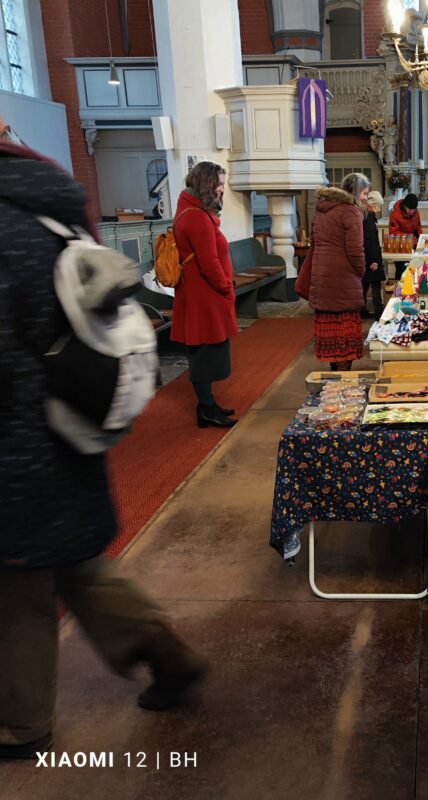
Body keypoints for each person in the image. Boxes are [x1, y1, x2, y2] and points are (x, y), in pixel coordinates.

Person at [0, 141, 206, 760]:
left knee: (16, 592)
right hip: (70, 424)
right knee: (73, 564)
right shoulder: (51, 210)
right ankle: (171, 657)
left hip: (14, 444)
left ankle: (20, 726)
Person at [171, 161, 238, 429]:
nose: (222, 189)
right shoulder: (196, 217)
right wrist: (225, 286)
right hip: (204, 296)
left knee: (207, 350)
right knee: (204, 352)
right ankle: (206, 408)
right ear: (207, 184)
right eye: (219, 183)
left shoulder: (193, 210)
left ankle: (208, 404)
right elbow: (209, 262)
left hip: (202, 294)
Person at [308, 172, 368, 370]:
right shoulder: (350, 211)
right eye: (365, 193)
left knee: (331, 340)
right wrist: (361, 272)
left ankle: (334, 379)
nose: (366, 198)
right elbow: (355, 250)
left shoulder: (322, 210)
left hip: (322, 277)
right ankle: (343, 388)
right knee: (344, 340)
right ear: (356, 192)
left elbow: (314, 243)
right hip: (343, 281)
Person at [362, 189, 385, 320]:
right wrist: (374, 261)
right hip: (371, 259)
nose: (380, 208)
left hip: (369, 258)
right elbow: (370, 241)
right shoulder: (368, 220)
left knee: (365, 285)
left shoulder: (368, 217)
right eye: (378, 205)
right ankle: (379, 313)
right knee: (375, 286)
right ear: (372, 205)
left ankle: (362, 309)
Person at [389, 192, 422, 279]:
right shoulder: (395, 215)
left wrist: (420, 238)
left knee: (413, 270)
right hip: (400, 247)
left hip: (412, 246)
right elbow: (393, 232)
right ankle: (398, 290)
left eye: (413, 210)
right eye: (409, 209)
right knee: (401, 271)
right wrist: (409, 237)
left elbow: (418, 226)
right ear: (404, 206)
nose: (411, 212)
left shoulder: (415, 211)